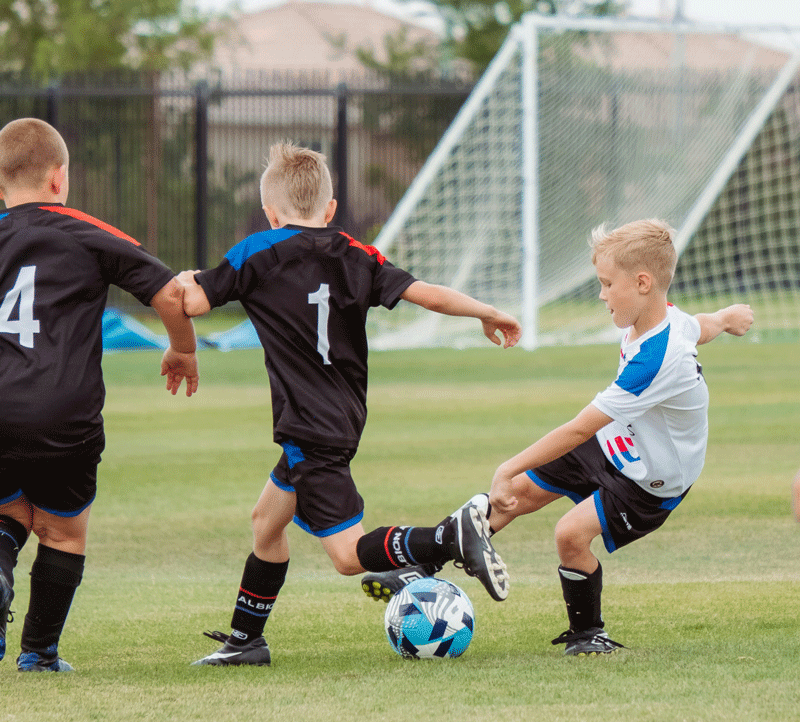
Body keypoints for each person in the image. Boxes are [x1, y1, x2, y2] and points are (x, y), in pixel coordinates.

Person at [179, 141, 521, 667]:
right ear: (331, 210)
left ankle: (447, 537)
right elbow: (424, 292)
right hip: (341, 416)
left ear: (270, 214)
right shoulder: (356, 254)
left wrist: (181, 282)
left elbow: (195, 301)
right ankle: (246, 640)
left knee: (345, 557)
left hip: (306, 426)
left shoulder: (257, 251)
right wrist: (487, 311)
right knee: (266, 523)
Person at [362, 218, 754, 656]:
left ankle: (589, 634)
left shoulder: (658, 360)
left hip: (652, 480)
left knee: (569, 534)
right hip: (617, 440)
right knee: (520, 494)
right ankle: (422, 566)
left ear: (643, 283)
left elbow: (578, 428)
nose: (602, 294)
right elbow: (698, 326)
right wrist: (726, 317)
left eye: (607, 284)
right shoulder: (664, 321)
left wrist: (507, 466)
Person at [0, 118, 199, 672]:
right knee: (62, 531)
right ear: (60, 178)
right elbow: (169, 293)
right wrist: (182, 349)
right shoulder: (87, 231)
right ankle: (38, 654)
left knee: (8, 510)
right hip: (64, 410)